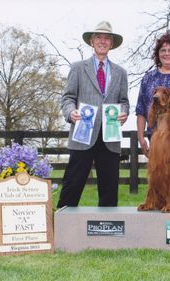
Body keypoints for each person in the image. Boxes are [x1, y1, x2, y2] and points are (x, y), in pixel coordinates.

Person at [57, 21, 129, 208]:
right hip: (82, 135)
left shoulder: (121, 73)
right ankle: (63, 227)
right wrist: (70, 112)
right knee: (72, 185)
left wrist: (124, 113)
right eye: (99, 37)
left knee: (109, 189)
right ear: (92, 41)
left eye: (107, 38)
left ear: (111, 43)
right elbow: (68, 98)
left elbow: (124, 102)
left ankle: (107, 230)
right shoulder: (78, 68)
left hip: (110, 138)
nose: (102, 41)